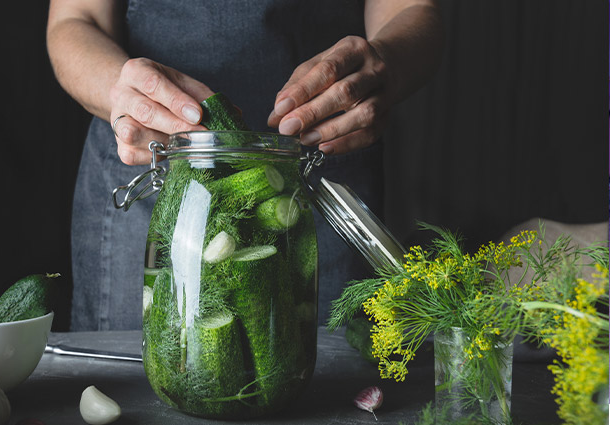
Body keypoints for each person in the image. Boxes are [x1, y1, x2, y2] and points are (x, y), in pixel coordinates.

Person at [46, 0, 444, 331]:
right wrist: (124, 91)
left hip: (318, 180)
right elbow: (76, 19)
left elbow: (413, 10)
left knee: (325, 387)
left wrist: (385, 63)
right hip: (158, 173)